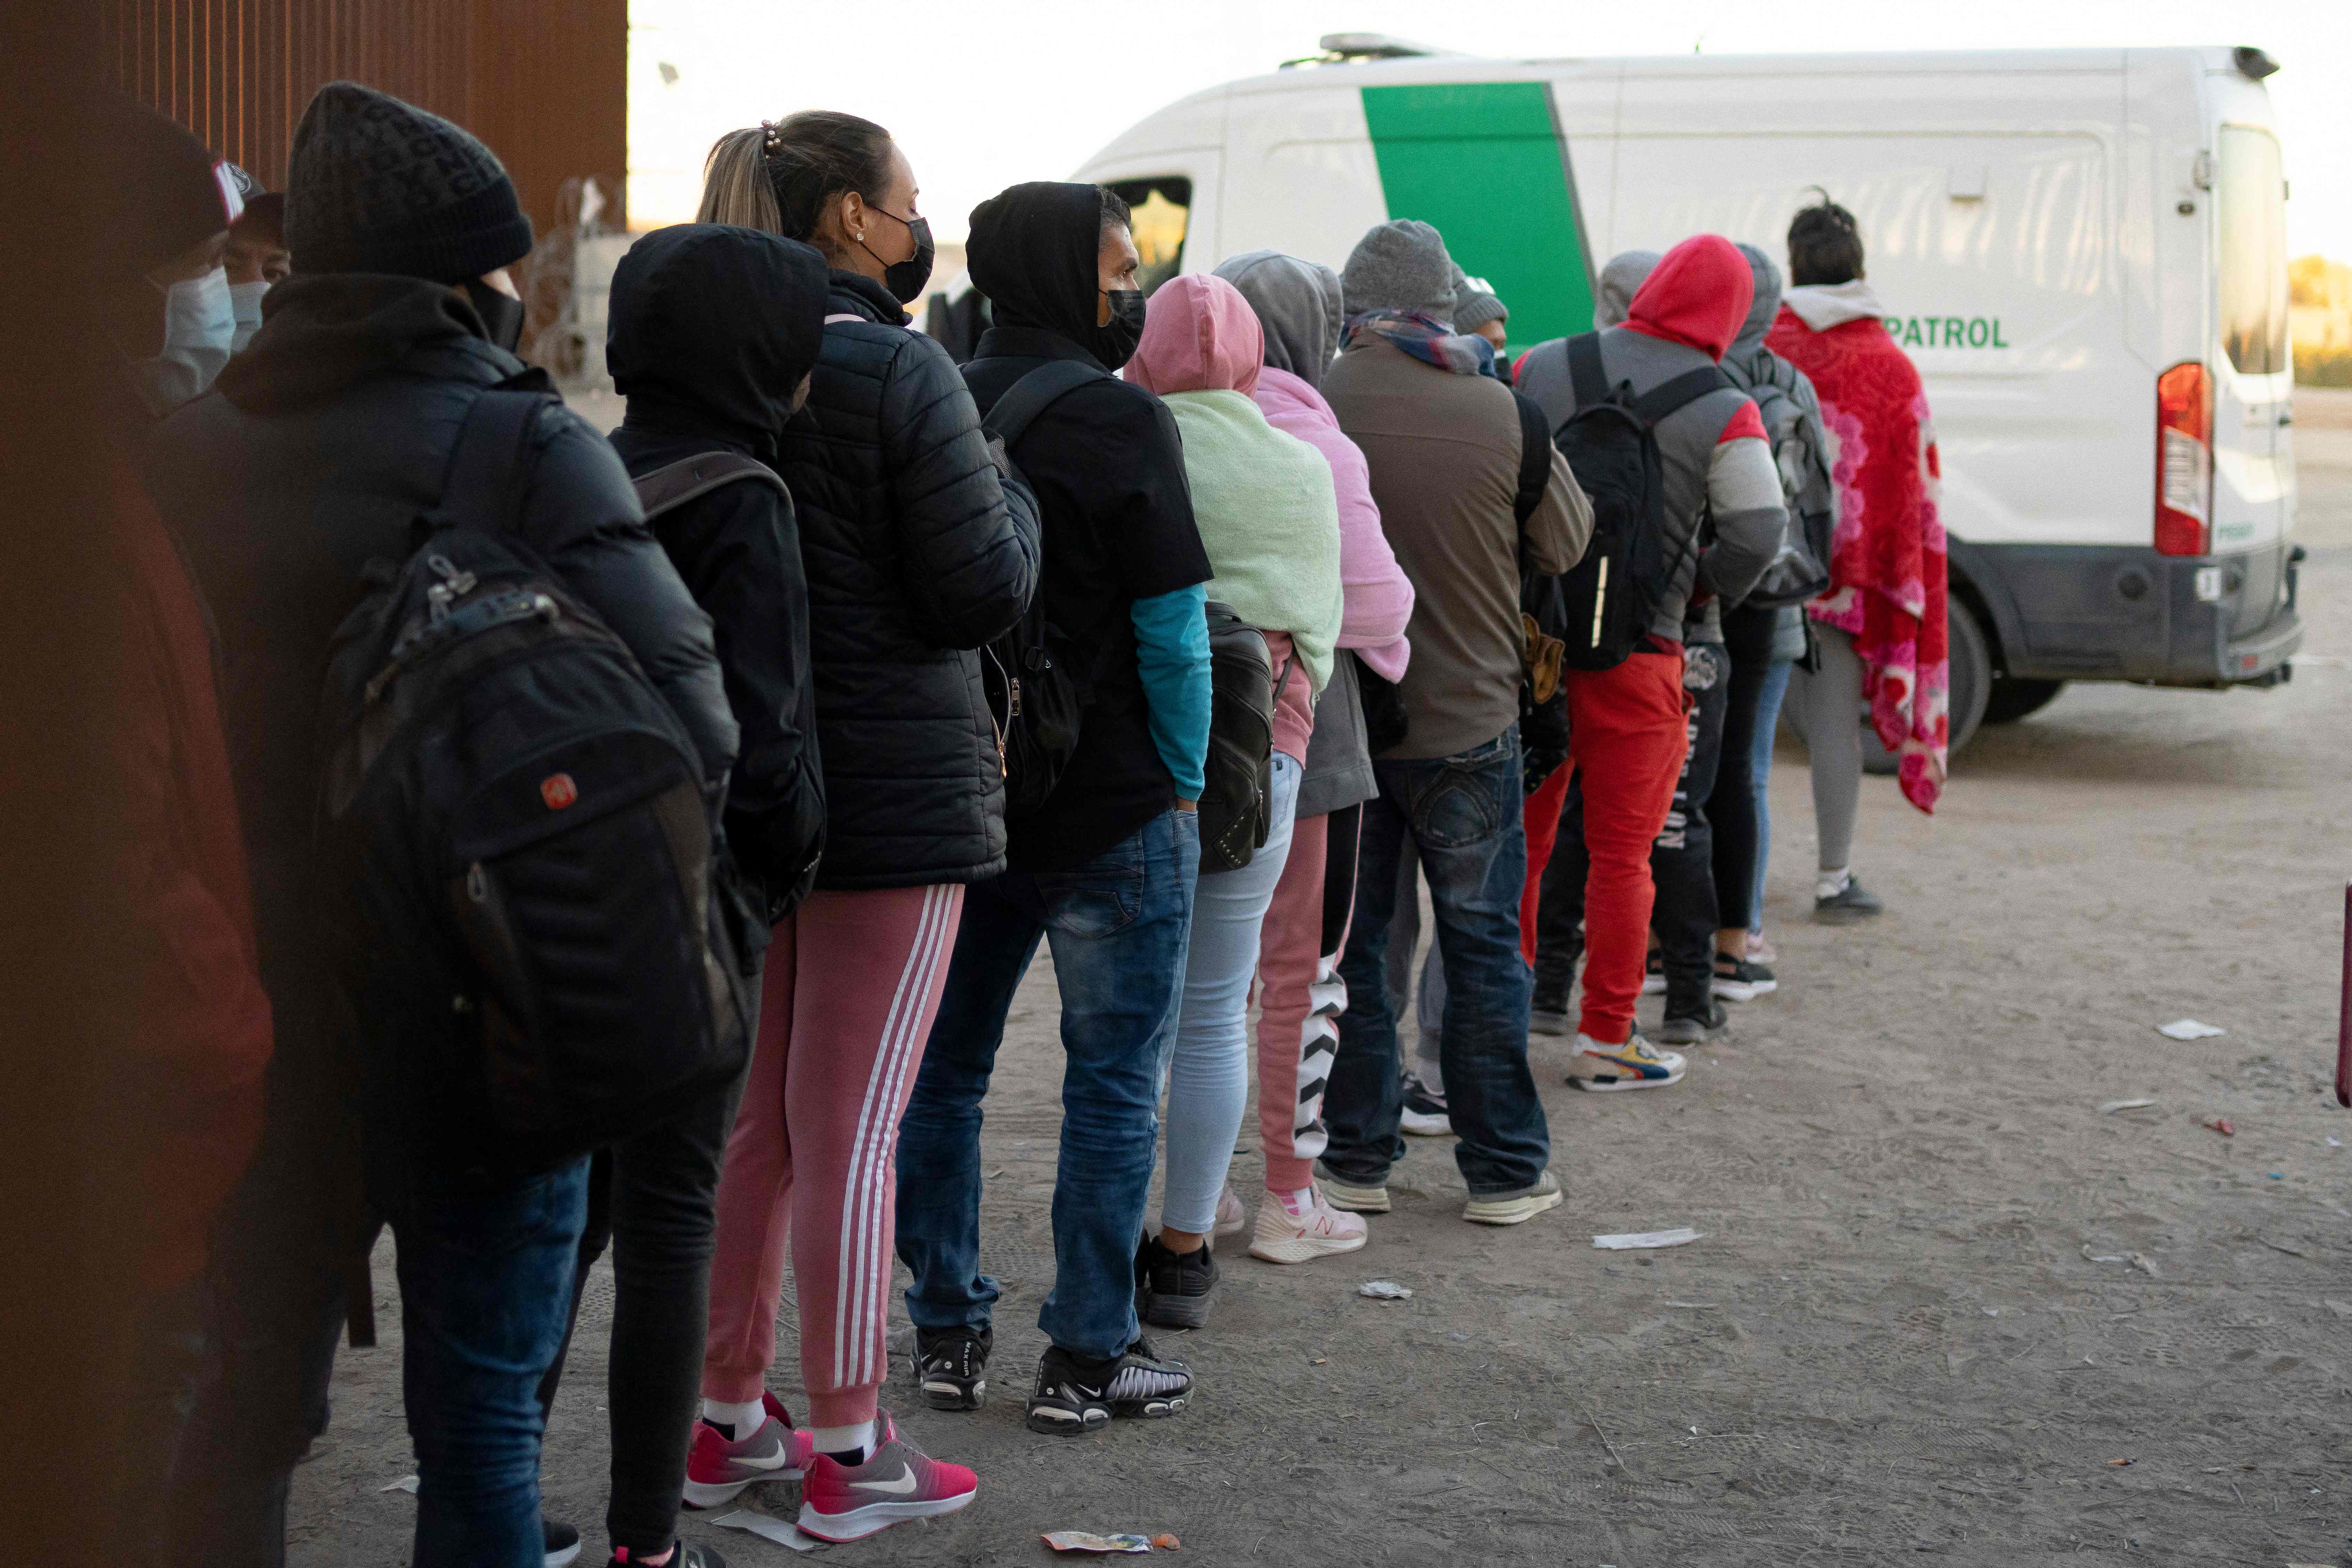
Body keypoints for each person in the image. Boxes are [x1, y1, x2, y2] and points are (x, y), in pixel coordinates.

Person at [149, 82, 736, 1568]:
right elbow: (695, 725)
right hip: (493, 999)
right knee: (480, 1424)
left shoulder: (181, 456)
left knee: (243, 1417)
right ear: (469, 276)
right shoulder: (522, 447)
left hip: (255, 1006)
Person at [688, 114, 1039, 1542]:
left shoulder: (703, 363)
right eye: (907, 205)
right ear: (844, 218)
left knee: (761, 1127)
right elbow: (984, 585)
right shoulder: (898, 368)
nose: (919, 228)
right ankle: (847, 1444)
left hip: (744, 784)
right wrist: (1003, 479)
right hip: (889, 799)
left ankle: (721, 1424)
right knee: (856, 1130)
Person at [524, 222, 834, 1568]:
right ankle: (647, 1543)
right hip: (696, 907)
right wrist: (790, 860)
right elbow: (764, 741)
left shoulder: (580, 468)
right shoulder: (746, 494)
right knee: (667, 1216)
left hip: (564, 891)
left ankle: (494, 1500)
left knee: (568, 1220)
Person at [895, 180, 1212, 1435]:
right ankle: (1087, 1355)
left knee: (942, 1074)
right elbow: (1175, 634)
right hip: (1114, 805)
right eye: (1116, 266)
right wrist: (1183, 780)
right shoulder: (1126, 425)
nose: (1129, 287)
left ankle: (944, 1326)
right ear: (1062, 272)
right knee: (1113, 1085)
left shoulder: (936, 401)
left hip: (959, 806)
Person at [1315, 218, 1589, 1226]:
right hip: (1473, 719)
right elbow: (1564, 541)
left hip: (1350, 725)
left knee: (1355, 954)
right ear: (1440, 304)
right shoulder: (1503, 410)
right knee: (1481, 949)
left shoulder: (1316, 402)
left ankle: (1355, 1159)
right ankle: (1506, 1171)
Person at [95, 99, 275, 1565]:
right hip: (118, 1172)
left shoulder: (126, 471)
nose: (220, 302)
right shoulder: (73, 521)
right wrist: (234, 1039)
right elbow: (106, 871)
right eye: (202, 264)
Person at [1123, 272, 1343, 1321]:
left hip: (1130, 766)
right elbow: (1322, 625)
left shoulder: (1123, 440)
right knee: (1217, 1006)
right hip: (1267, 755)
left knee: (1129, 1017)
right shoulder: (1299, 466)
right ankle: (1184, 1247)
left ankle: (1107, 1238)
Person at [1515, 235, 1785, 1086]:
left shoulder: (1541, 366)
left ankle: (1496, 1024)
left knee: (1522, 843)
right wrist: (1700, 588)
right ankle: (1607, 1038)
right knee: (1624, 855)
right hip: (1645, 651)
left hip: (1534, 650)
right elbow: (1760, 528)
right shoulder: (1726, 404)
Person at [1212, 249, 1414, 1265]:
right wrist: (1388, 643)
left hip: (1188, 735)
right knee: (1304, 971)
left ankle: (1197, 1197)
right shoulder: (1318, 449)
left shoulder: (1170, 428)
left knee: (1202, 983)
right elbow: (1380, 608)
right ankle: (1291, 1195)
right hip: (1311, 739)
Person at [1767, 194, 1949, 919]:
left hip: (1760, 571)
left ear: (1792, 264)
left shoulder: (1763, 349)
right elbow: (1917, 492)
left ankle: (1723, 894)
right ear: (1859, 267)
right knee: (1834, 727)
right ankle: (1833, 879)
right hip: (1848, 582)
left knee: (1743, 736)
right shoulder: (1891, 367)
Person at [1715, 243, 1834, 976]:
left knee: (1690, 774)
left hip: (1704, 599)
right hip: (1780, 601)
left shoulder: (1701, 377)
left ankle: (1681, 928)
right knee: (1749, 771)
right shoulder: (1793, 382)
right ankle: (1743, 930)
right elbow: (1826, 499)